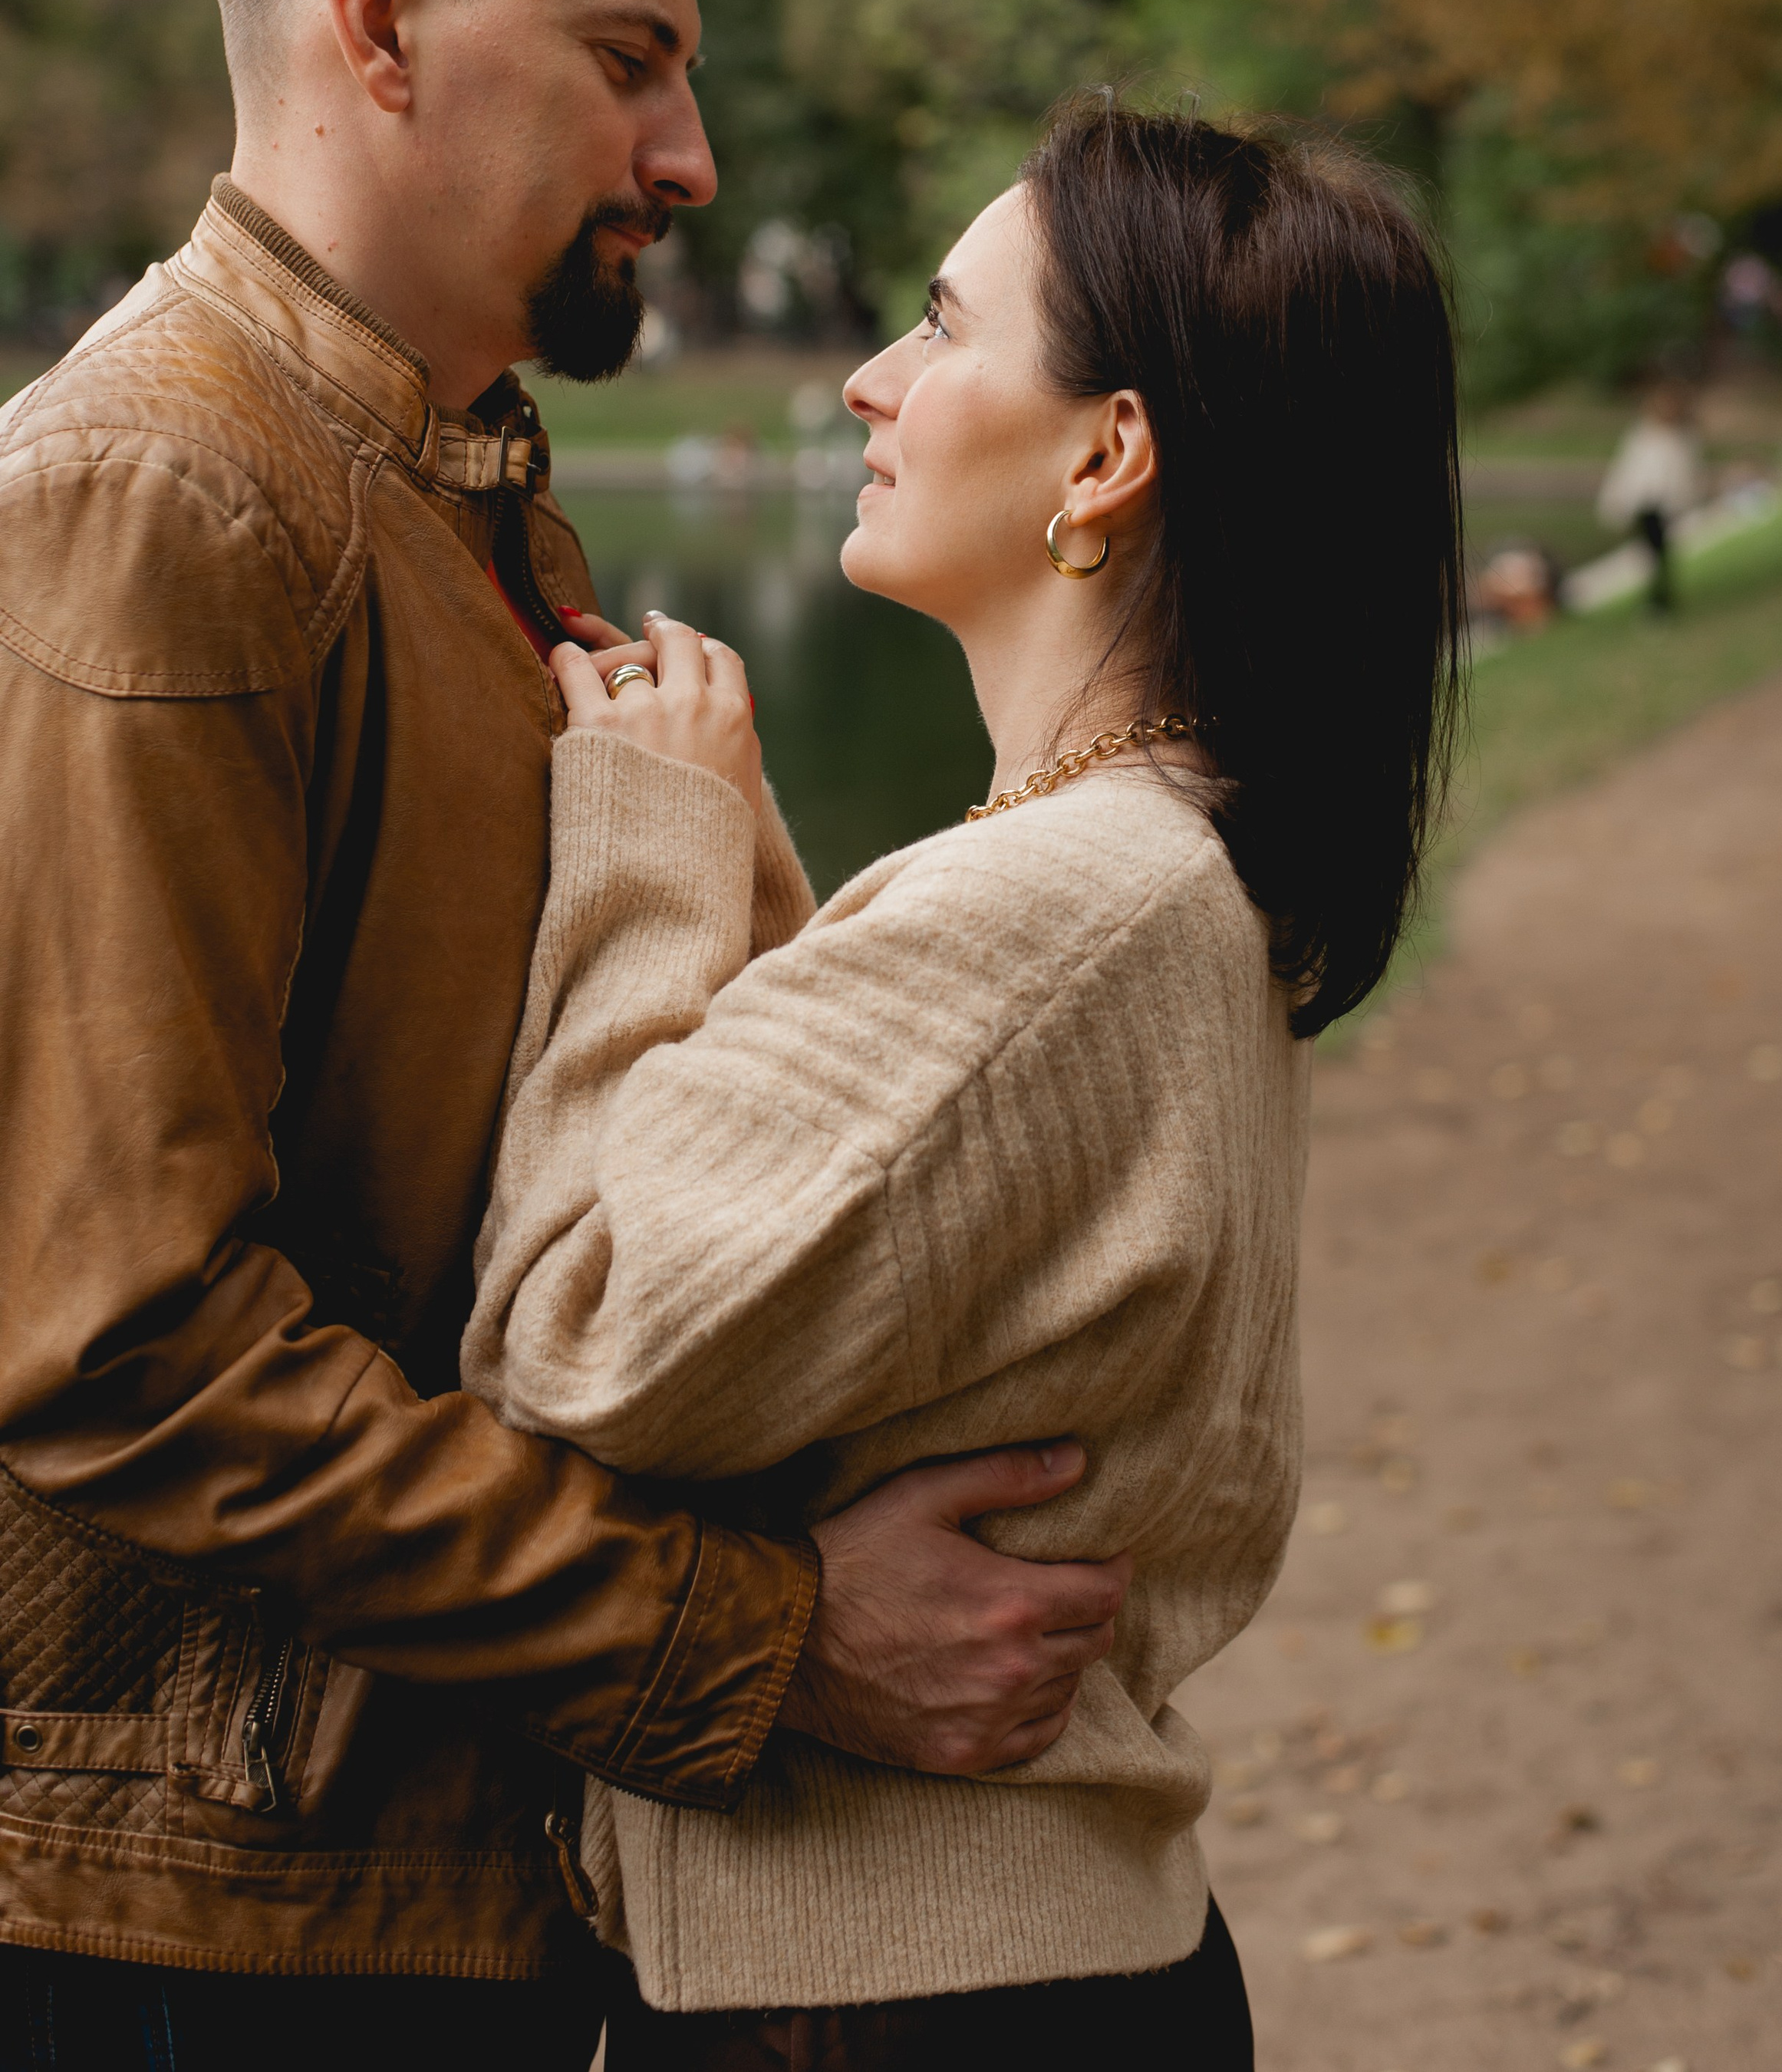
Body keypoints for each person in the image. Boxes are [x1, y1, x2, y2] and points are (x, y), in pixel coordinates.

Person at [0, 0, 1128, 2071]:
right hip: (191, 1929)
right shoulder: (160, 500)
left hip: (426, 1869)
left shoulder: (448, 484)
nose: (687, 155)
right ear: (380, 20)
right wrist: (761, 1636)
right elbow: (115, 1341)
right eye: (628, 62)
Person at [463, 102, 1466, 2064]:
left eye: (939, 323)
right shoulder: (1148, 867)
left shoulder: (1067, 906)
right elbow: (881, 1243)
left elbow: (570, 1335)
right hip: (1008, 1969)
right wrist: (756, 870)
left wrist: (647, 860)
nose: (868, 375)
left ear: (1103, 455)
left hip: (891, 1989)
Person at [1596, 380, 1703, 611]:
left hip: (1666, 505)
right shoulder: (1642, 436)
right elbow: (1627, 472)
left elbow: (1685, 475)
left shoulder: (1680, 438)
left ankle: (1660, 601)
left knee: (1659, 555)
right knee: (1651, 556)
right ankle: (1657, 600)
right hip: (1643, 505)